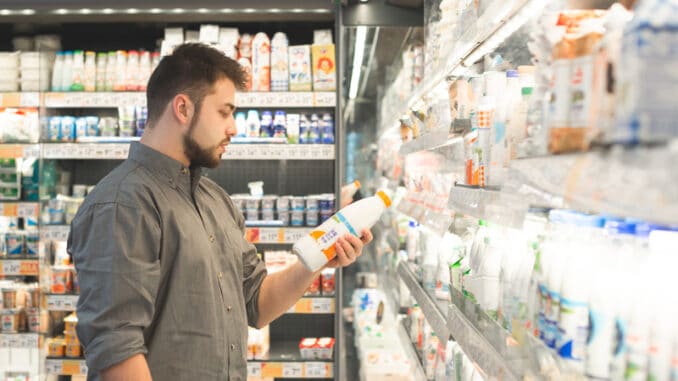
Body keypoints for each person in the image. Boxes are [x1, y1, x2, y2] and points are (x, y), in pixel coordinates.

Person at [67, 43, 372, 381]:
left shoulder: (216, 200)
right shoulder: (123, 204)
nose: (234, 128)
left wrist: (316, 257)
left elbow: (257, 303)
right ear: (183, 108)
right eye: (225, 112)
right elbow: (116, 351)